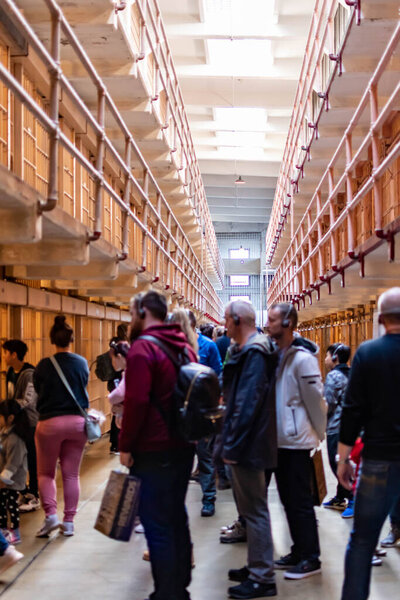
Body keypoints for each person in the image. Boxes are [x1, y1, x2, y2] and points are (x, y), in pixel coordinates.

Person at [119, 290, 197, 600]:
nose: (129, 319)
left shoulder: (142, 349)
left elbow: (136, 402)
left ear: (142, 312)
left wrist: (125, 446)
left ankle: (167, 593)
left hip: (154, 449)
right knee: (176, 516)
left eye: (131, 313)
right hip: (183, 445)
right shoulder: (184, 348)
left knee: (157, 524)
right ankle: (179, 587)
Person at [337, 287, 400, 600]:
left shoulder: (368, 353)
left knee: (362, 541)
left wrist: (343, 458)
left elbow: (352, 410)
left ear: (380, 318)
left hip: (379, 458)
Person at [221, 300, 277, 600]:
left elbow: (247, 402)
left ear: (238, 320)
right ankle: (257, 566)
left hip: (250, 443)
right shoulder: (253, 349)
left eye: (227, 320)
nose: (224, 325)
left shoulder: (254, 352)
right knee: (250, 509)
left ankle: (262, 578)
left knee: (254, 510)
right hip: (252, 441)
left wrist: (232, 443)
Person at [266, 303, 326, 580]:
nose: (268, 324)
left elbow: (316, 401)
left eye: (273, 319)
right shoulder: (278, 354)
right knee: (288, 501)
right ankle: (298, 549)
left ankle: (311, 557)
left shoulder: (302, 359)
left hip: (296, 441)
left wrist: (319, 433)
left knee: (300, 501)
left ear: (288, 323)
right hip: (281, 440)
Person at [33, 315, 89, 538]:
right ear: (71, 340)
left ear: (52, 340)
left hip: (49, 423)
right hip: (77, 423)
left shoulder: (44, 365)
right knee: (71, 475)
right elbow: (82, 385)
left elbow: (38, 389)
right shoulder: (81, 362)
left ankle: (51, 517)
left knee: (46, 473)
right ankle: (69, 523)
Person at [187, 310, 222, 516]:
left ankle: (209, 499)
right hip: (182, 411)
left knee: (205, 457)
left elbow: (217, 374)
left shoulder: (209, 346)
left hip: (202, 411)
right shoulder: (175, 348)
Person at [2, 339, 39, 513]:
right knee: (15, 456)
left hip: (29, 421)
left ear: (14, 354)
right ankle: (20, 490)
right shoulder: (10, 372)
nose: (3, 356)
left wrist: (10, 406)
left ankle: (33, 494)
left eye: (5, 352)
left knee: (31, 455)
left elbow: (28, 400)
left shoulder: (29, 373)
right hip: (14, 421)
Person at [323, 343, 353, 515]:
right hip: (352, 427)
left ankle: (353, 498)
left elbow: (328, 404)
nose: (326, 359)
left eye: (327, 356)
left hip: (336, 427)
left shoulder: (334, 376)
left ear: (334, 358)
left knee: (337, 464)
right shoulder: (353, 373)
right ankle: (341, 496)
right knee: (346, 461)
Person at [0, 399, 29, 545]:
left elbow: (14, 462)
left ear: (10, 418)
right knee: (1, 506)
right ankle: (4, 531)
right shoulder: (4, 433)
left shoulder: (15, 438)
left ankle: (15, 532)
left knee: (11, 506)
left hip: (12, 479)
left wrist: (4, 478)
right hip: (4, 478)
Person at [95, 324, 128, 454]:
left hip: (113, 383)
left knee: (117, 413)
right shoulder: (124, 346)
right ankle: (119, 443)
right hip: (122, 382)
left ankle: (115, 443)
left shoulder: (113, 344)